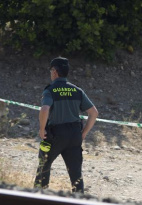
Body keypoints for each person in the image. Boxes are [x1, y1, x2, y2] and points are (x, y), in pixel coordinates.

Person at [34, 57, 98, 193]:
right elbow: (94, 112)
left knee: (43, 167)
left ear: (55, 72)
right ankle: (79, 203)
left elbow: (45, 109)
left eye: (51, 70)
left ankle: (39, 199)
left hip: (55, 135)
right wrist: (84, 133)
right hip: (75, 135)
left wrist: (41, 129)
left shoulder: (50, 90)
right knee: (76, 175)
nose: (51, 73)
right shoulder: (77, 90)